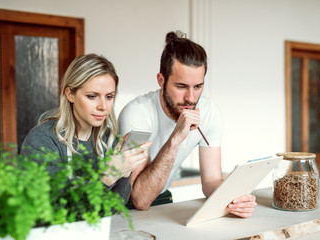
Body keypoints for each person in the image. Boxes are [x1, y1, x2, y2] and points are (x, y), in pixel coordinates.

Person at [118, 31, 257, 217]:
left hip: (161, 196)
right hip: (124, 205)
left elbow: (211, 182)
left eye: (198, 86)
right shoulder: (137, 114)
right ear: (161, 80)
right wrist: (176, 138)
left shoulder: (209, 112)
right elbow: (140, 199)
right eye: (181, 86)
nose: (190, 98)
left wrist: (234, 199)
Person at [21, 53, 151, 206]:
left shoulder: (108, 141)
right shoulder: (42, 141)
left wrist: (125, 171)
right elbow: (57, 212)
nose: (103, 106)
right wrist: (106, 177)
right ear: (70, 94)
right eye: (92, 96)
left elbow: (114, 207)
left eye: (109, 97)